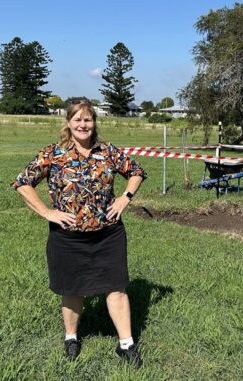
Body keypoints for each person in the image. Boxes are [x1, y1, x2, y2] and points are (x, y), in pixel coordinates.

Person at [11, 100, 147, 367]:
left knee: (116, 288)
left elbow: (136, 172)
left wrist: (124, 198)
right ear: (69, 123)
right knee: (71, 289)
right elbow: (22, 182)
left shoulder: (107, 152)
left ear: (94, 122)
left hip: (108, 234)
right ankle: (71, 338)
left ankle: (126, 345)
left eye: (88, 120)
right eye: (77, 120)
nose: (83, 125)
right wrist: (47, 212)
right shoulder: (53, 153)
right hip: (67, 236)